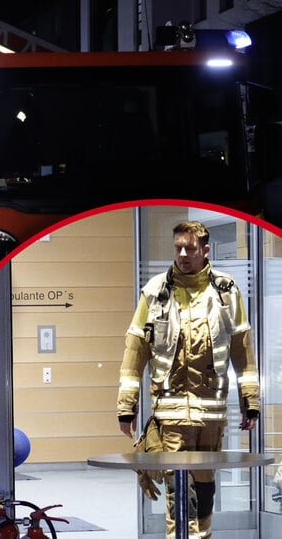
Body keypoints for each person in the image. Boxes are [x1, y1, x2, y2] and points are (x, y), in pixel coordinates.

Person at [117, 220, 260, 539]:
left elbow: (243, 351)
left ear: (205, 250)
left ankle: (202, 536)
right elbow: (135, 350)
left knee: (205, 489)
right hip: (170, 416)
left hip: (210, 416)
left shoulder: (226, 291)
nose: (182, 254)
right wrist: (126, 407)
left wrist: (251, 401)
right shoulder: (155, 292)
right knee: (177, 489)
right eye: (178, 247)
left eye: (190, 248)